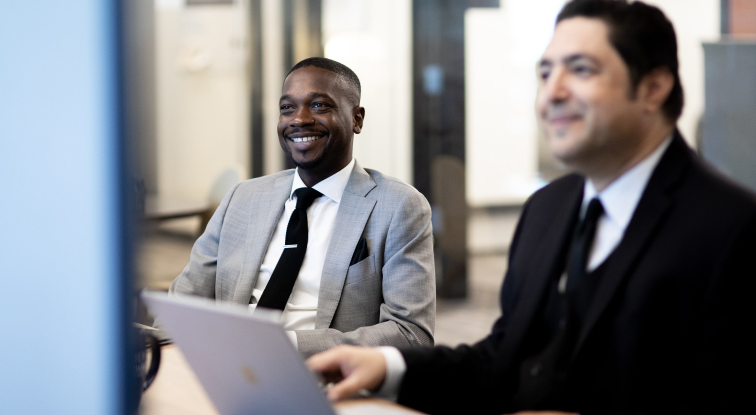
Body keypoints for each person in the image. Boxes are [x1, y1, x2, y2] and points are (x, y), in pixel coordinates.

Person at [307, 1, 756, 413]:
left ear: (654, 87)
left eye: (580, 70)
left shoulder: (730, 228)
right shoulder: (548, 209)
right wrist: (387, 368)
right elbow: (503, 359)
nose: (552, 92)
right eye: (545, 73)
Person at [170, 57, 436, 358]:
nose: (299, 119)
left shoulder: (399, 206)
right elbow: (183, 301)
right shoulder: (243, 197)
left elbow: (411, 333)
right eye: (287, 107)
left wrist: (282, 345)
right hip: (227, 364)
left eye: (320, 105)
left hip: (321, 376)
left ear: (357, 119)